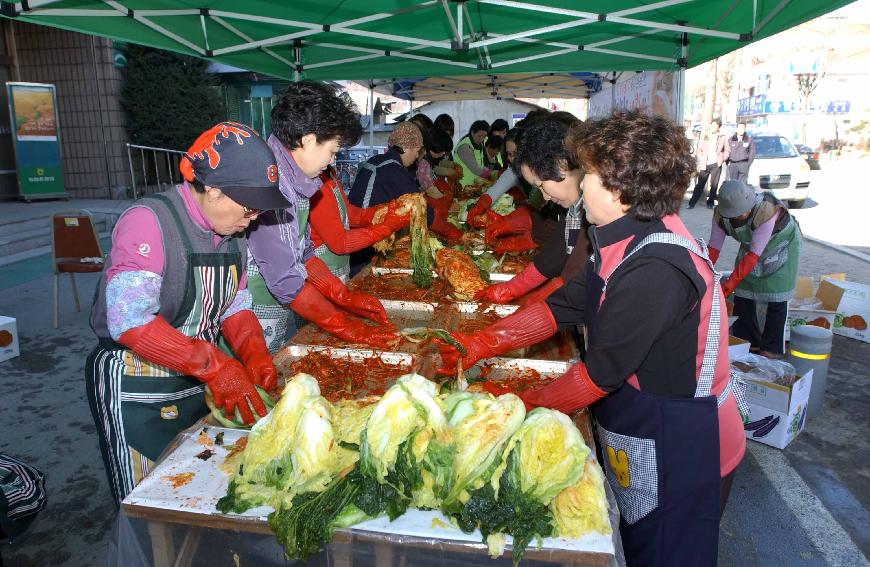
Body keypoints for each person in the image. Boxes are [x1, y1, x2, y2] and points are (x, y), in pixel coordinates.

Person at [439, 111, 746, 567]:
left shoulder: (655, 266)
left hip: (685, 446)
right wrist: (480, 342)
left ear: (620, 190)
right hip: (647, 425)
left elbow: (600, 373)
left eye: (593, 176)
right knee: (640, 538)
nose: (581, 185)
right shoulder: (621, 237)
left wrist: (517, 405)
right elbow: (565, 303)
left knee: (663, 553)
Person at [87, 122, 287, 504]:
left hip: (194, 378)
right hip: (135, 384)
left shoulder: (233, 233)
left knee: (200, 490)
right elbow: (130, 320)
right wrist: (218, 366)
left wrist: (254, 353)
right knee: (151, 499)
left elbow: (235, 304)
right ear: (211, 188)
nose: (253, 218)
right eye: (249, 207)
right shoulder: (149, 221)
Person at [247, 81, 397, 353]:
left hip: (279, 308)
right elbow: (285, 279)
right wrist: (344, 324)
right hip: (254, 315)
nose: (331, 162)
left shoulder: (296, 180)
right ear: (308, 139)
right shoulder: (274, 183)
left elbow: (305, 255)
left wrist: (344, 296)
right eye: (333, 151)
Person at [477, 117, 592, 303]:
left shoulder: (597, 211)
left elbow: (573, 273)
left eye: (540, 185)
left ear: (562, 165)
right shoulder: (573, 208)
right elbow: (557, 250)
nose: (545, 197)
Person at [348, 121, 461, 274]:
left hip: (357, 237)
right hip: (366, 247)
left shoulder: (376, 161)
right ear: (407, 146)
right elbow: (424, 213)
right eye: (417, 150)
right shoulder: (394, 170)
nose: (417, 156)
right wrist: (452, 232)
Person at [709, 180, 801, 357]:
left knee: (776, 298)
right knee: (743, 294)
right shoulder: (720, 216)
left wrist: (727, 286)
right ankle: (747, 345)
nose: (742, 214)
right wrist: (704, 276)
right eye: (736, 213)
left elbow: (753, 256)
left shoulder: (766, 211)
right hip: (751, 247)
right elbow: (713, 248)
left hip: (781, 247)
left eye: (744, 209)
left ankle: (770, 351)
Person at [309, 165, 411, 282]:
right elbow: (341, 242)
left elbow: (346, 212)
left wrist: (377, 213)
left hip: (340, 269)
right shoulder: (315, 183)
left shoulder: (329, 173)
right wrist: (386, 227)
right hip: (322, 276)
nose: (332, 160)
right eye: (331, 151)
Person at [688, 118, 730, 209]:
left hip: (716, 163)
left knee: (714, 185)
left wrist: (723, 158)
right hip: (705, 164)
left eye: (715, 125)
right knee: (700, 184)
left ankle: (710, 203)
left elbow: (727, 150)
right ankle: (692, 203)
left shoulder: (722, 137)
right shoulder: (706, 136)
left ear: (718, 127)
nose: (713, 127)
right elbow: (700, 148)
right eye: (712, 125)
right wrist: (700, 155)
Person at [416, 127, 455, 196]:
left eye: (445, 152)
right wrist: (446, 197)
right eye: (442, 151)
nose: (443, 154)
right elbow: (429, 188)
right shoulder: (424, 164)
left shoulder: (432, 158)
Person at [454, 120, 491, 186]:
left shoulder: (479, 144)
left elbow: (481, 163)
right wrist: (489, 173)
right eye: (479, 136)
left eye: (484, 136)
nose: (482, 139)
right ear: (472, 132)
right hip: (462, 186)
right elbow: (476, 169)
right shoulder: (465, 146)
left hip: (473, 184)